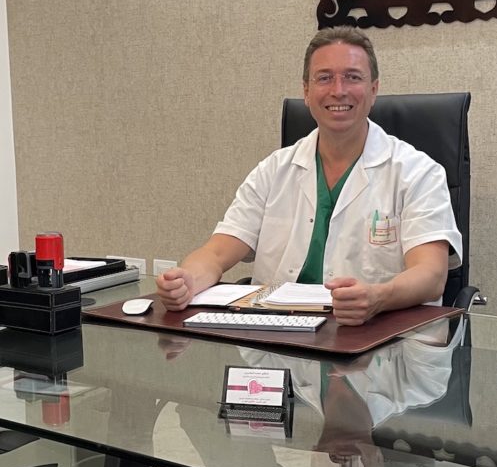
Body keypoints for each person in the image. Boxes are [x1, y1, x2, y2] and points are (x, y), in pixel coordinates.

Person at [156, 26, 462, 325]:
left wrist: (378, 297)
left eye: (353, 77)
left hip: (375, 338)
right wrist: (186, 281)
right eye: (324, 78)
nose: (338, 90)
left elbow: (431, 275)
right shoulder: (273, 171)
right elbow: (216, 253)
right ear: (306, 91)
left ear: (373, 90)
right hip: (277, 338)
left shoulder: (418, 173)